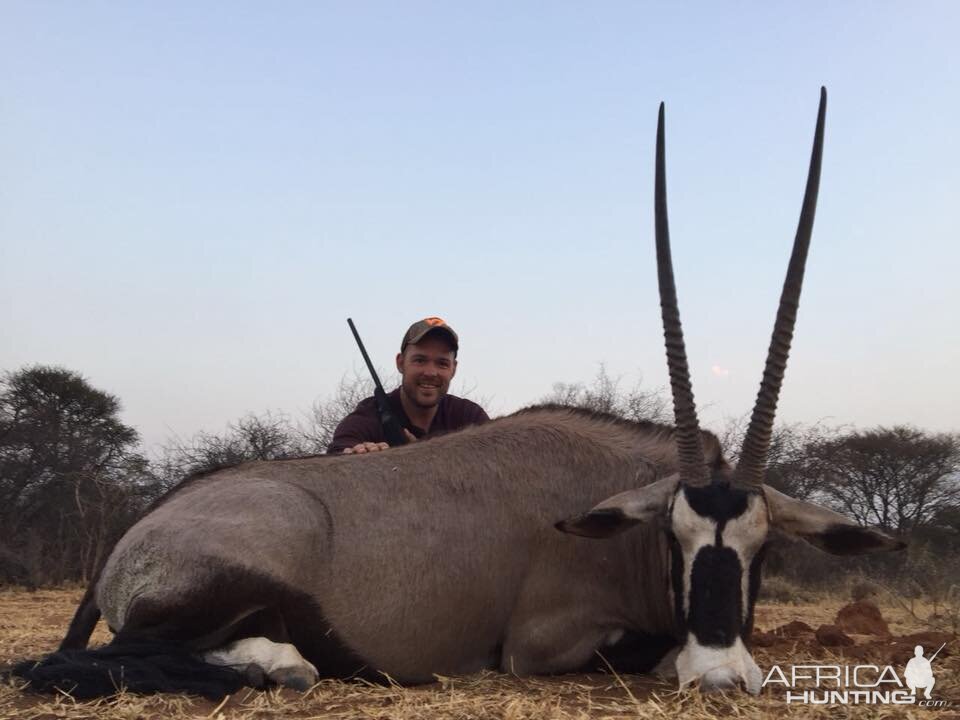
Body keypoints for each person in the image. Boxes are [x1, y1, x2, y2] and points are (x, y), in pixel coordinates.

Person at [328, 317, 489, 454]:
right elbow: (338, 453)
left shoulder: (470, 417)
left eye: (442, 363)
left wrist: (419, 453)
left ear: (453, 369)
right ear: (400, 363)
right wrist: (360, 454)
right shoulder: (369, 415)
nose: (430, 372)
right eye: (420, 360)